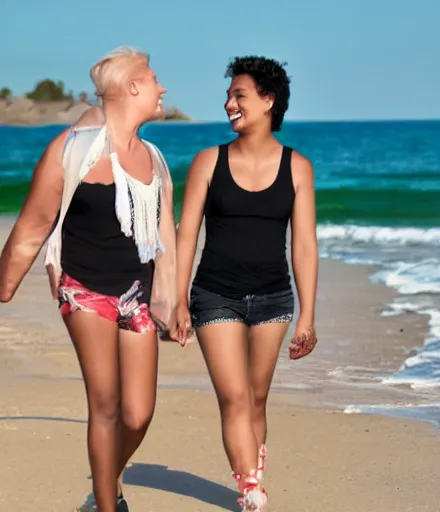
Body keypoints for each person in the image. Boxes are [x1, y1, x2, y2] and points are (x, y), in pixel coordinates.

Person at [0, 47, 184, 512]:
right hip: (82, 289)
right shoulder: (72, 151)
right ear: (133, 87)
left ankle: (106, 483)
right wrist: (3, 289)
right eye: (155, 78)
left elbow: (166, 241)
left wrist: (173, 304)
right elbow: (31, 228)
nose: (163, 88)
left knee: (138, 414)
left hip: (135, 296)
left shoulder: (156, 161)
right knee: (104, 405)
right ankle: (107, 506)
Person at [176, 56, 319, 511]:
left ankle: (251, 470)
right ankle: (251, 490)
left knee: (256, 400)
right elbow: (186, 235)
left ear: (268, 101)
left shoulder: (298, 167)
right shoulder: (207, 162)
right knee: (234, 397)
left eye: (239, 95)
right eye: (229, 95)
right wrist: (177, 301)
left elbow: (304, 247)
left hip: (274, 298)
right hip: (214, 296)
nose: (229, 103)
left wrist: (307, 318)